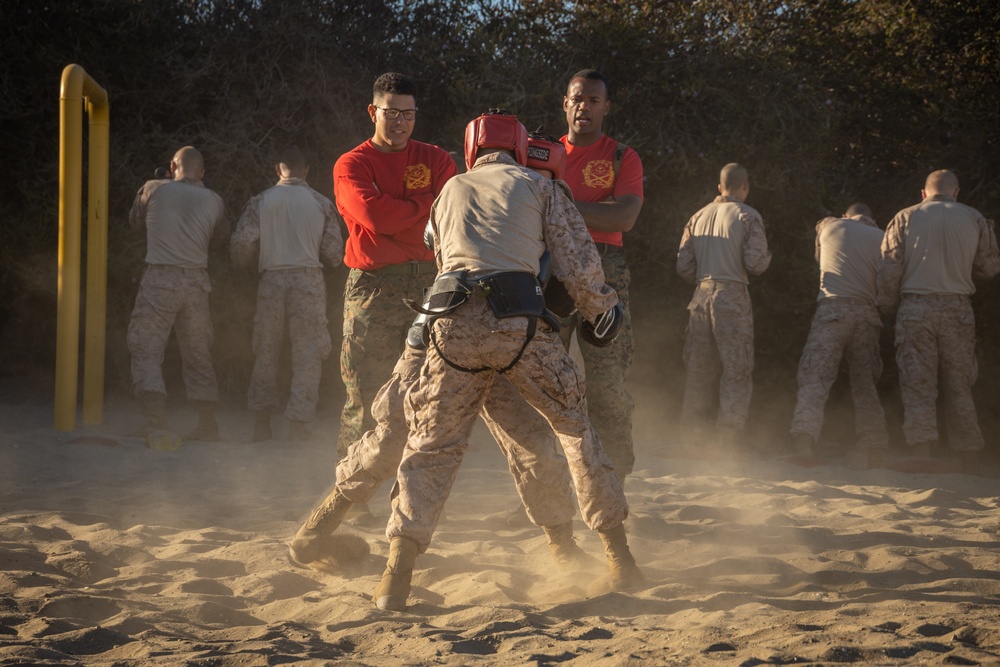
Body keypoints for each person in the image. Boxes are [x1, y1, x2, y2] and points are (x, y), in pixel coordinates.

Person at [372, 110, 642, 612]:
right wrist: (602, 312)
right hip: (519, 327)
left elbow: (438, 249)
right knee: (573, 430)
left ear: (472, 149)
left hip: (450, 329)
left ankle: (395, 576)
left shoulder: (449, 189)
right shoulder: (541, 189)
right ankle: (620, 558)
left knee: (431, 447)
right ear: (522, 148)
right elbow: (579, 263)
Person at [289, 134, 592, 574]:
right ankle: (563, 547)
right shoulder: (536, 202)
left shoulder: (465, 195)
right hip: (484, 338)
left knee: (403, 429)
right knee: (522, 442)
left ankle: (317, 530)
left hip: (444, 330)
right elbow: (559, 294)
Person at [334, 72, 457, 459]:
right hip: (374, 288)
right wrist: (426, 210)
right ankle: (351, 491)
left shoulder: (435, 158)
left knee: (426, 392)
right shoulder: (352, 164)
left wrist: (401, 217)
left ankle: (405, 488)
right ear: (374, 111)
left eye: (408, 113)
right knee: (366, 394)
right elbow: (376, 217)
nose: (400, 121)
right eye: (392, 113)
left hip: (430, 288)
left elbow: (451, 216)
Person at [877, 169, 1000, 469]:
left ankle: (923, 449)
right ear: (956, 192)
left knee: (918, 382)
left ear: (923, 192)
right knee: (959, 383)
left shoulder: (906, 217)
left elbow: (889, 269)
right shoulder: (975, 218)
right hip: (958, 308)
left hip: (915, 308)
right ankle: (968, 452)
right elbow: (989, 267)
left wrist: (889, 306)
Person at [558, 69, 644, 482]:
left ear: (605, 108)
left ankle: (614, 483)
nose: (583, 107)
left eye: (593, 101)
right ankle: (550, 488)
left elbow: (624, 216)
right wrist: (597, 208)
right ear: (565, 103)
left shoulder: (621, 156)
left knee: (607, 385)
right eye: (577, 99)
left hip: (605, 273)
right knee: (548, 381)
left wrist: (562, 202)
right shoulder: (543, 155)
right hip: (550, 274)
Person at [230, 147, 344, 441]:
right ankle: (298, 424)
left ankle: (261, 422)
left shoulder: (260, 201)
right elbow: (334, 253)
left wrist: (244, 266)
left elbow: (241, 245)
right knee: (308, 353)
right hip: (308, 281)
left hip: (271, 280)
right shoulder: (320, 203)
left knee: (265, 349)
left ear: (277, 169)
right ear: (305, 170)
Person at [127, 146, 228, 450]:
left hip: (160, 278)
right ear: (202, 172)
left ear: (172, 166)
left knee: (146, 349)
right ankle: (207, 422)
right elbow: (220, 238)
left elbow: (135, 222)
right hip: (196, 280)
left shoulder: (153, 188)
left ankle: (156, 421)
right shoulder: (215, 200)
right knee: (198, 353)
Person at [676, 163, 771, 449]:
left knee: (697, 369)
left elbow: (683, 265)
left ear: (719, 187)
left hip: (700, 297)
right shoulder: (748, 216)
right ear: (745, 187)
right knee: (736, 368)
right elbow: (756, 264)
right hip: (732, 296)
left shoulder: (698, 216)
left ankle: (690, 435)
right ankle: (728, 436)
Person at [789, 203, 888, 465]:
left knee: (815, 379)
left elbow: (820, 260)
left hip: (831, 310)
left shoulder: (829, 226)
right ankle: (874, 448)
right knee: (865, 383)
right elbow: (886, 279)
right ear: (872, 218)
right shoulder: (882, 237)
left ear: (847, 215)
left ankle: (803, 445)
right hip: (866, 313)